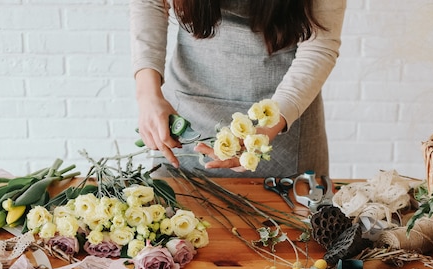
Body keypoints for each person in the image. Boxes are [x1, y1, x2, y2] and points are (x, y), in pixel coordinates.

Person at [130, 0, 345, 177]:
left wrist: (266, 130)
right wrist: (147, 95)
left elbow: (320, 45)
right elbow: (150, 3)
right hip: (188, 111)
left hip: (284, 116)